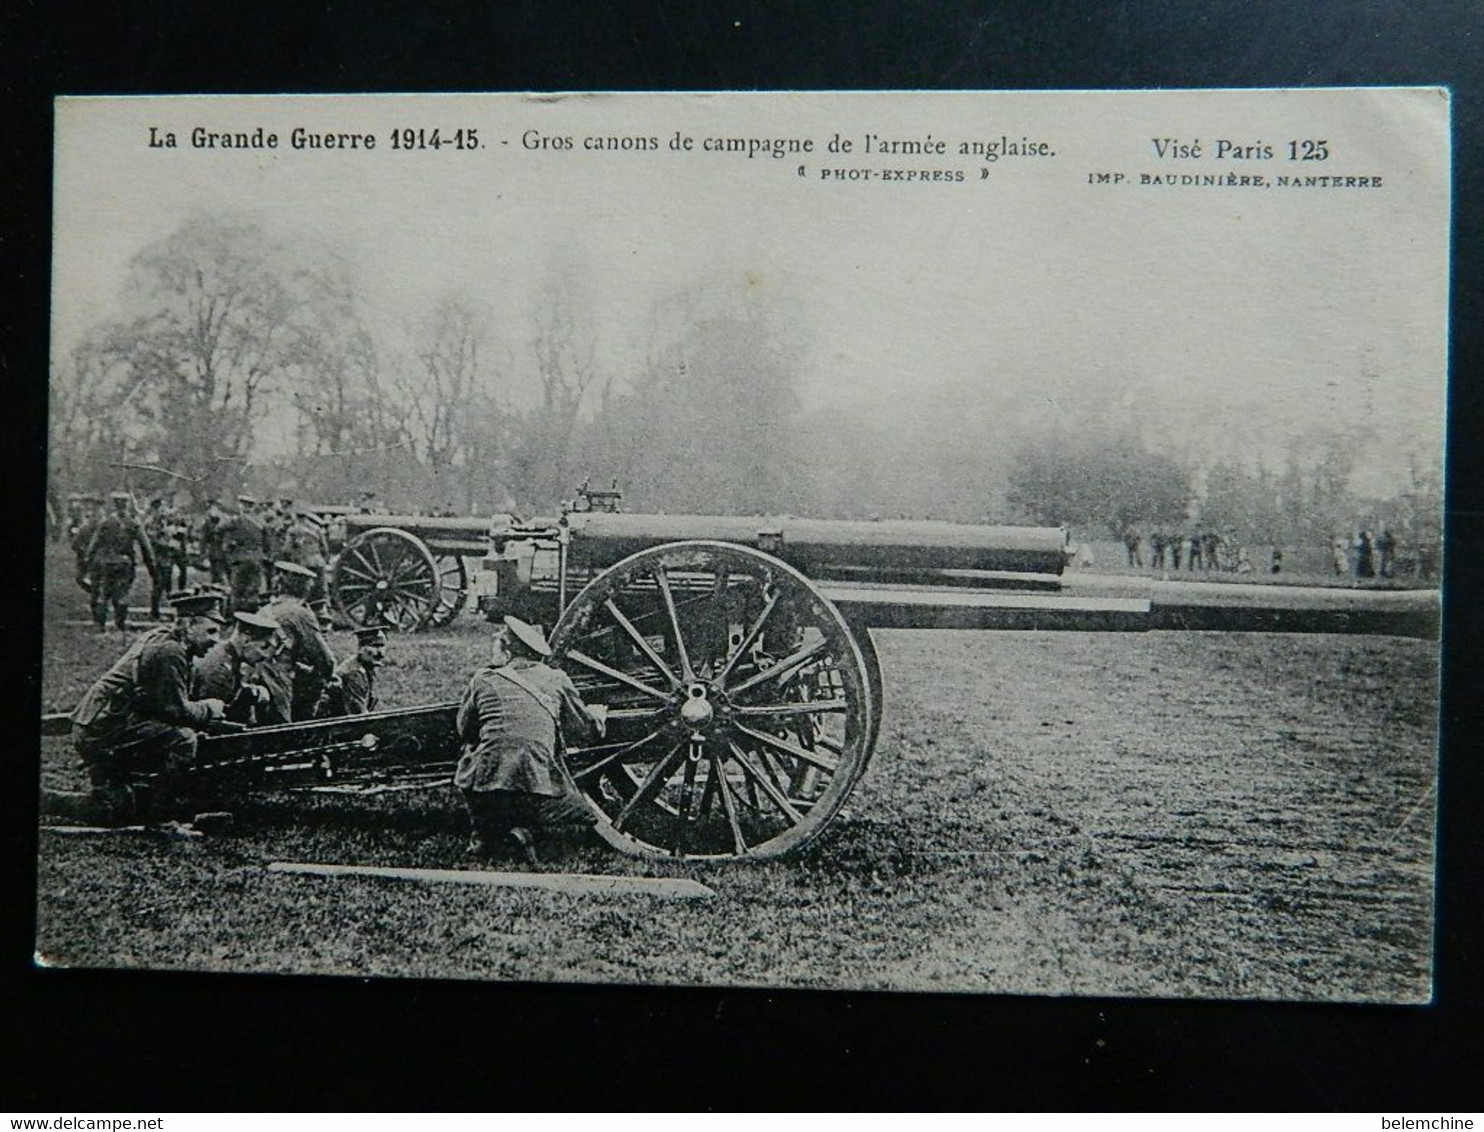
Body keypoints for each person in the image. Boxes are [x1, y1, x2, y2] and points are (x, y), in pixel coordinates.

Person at [454, 614, 606, 864]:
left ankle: (486, 833)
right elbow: (586, 730)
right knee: (583, 813)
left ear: (507, 651)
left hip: (488, 780)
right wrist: (598, 717)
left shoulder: (483, 679)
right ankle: (525, 829)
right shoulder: (557, 679)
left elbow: (464, 729)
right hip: (538, 780)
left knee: (472, 752)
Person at [69, 591, 231, 823]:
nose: (216, 640)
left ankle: (49, 800)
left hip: (101, 722)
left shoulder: (162, 638)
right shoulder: (169, 651)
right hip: (102, 729)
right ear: (187, 625)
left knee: (116, 808)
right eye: (210, 631)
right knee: (183, 739)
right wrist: (209, 708)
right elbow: (176, 711)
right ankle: (160, 819)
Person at [258, 561, 337, 722]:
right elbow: (325, 660)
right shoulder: (300, 613)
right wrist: (324, 679)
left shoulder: (264, 610)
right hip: (276, 676)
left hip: (253, 674)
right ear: (304, 588)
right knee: (282, 730)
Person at [84, 491, 156, 632]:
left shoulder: (105, 523)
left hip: (106, 563)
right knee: (122, 594)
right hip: (124, 563)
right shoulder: (133, 524)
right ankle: (120, 625)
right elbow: (146, 547)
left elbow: (92, 546)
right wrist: (152, 568)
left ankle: (101, 625)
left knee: (104, 593)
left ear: (114, 505)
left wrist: (89, 564)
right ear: (127, 505)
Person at [193, 609, 281, 724]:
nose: (265, 655)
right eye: (263, 647)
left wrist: (250, 691)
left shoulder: (230, 658)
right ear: (246, 640)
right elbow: (213, 718)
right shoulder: (220, 667)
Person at [317, 622, 389, 717]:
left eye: (382, 646)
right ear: (361, 649)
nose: (381, 653)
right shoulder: (354, 674)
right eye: (375, 646)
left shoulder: (367, 667)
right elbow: (357, 716)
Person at [219, 494, 269, 614]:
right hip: (257, 558)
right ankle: (251, 615)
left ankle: (235, 615)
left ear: (241, 506)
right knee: (253, 588)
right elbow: (267, 543)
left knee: (237, 589)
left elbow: (219, 529)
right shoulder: (261, 522)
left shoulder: (236, 520)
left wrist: (231, 543)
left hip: (240, 558)